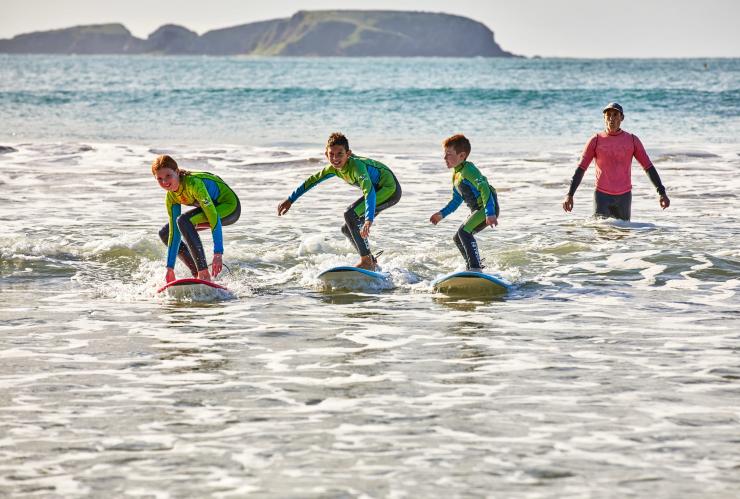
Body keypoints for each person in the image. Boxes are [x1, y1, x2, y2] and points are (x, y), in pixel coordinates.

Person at [277, 132, 401, 271]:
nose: (335, 158)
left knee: (349, 214)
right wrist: (290, 199)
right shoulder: (332, 169)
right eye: (331, 154)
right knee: (347, 228)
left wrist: (368, 219)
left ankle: (366, 262)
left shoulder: (357, 166)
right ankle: (371, 260)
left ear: (348, 153)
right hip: (377, 192)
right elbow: (312, 181)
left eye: (340, 154)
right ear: (326, 155)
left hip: (389, 190)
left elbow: (369, 191)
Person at [563, 102, 670, 221]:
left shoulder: (632, 140)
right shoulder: (595, 140)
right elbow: (581, 169)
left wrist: (662, 193)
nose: (611, 119)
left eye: (615, 115)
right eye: (608, 115)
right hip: (602, 197)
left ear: (622, 118)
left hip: (624, 198)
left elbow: (648, 167)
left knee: (623, 236)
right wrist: (570, 195)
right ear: (604, 118)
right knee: (602, 235)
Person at [151, 155, 241, 283]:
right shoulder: (171, 197)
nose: (165, 182)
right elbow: (174, 233)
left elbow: (213, 217)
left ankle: (203, 272)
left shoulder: (194, 184)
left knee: (183, 221)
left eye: (168, 176)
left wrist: (218, 254)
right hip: (210, 209)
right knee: (165, 233)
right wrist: (169, 268)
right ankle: (196, 274)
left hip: (229, 208)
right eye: (159, 179)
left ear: (176, 172)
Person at [430, 134, 499, 272]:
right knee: (458, 238)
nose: (444, 158)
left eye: (449, 154)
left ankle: (475, 268)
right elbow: (456, 200)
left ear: (462, 156)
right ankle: (473, 265)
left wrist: (490, 213)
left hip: (486, 207)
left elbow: (484, 187)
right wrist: (441, 214)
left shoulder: (469, 170)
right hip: (477, 210)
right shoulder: (456, 175)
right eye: (444, 154)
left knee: (464, 233)